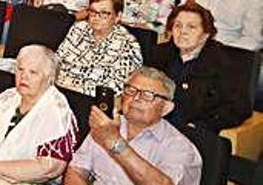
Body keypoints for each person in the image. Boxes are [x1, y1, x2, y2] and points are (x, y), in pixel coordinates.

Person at [0, 45, 77, 185]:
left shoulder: (58, 112)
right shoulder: (7, 97)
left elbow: (48, 168)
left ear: (49, 78)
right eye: (20, 69)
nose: (24, 77)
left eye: (33, 72)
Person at [63, 67, 202, 185]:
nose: (136, 98)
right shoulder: (107, 125)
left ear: (166, 108)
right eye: (131, 90)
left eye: (148, 95)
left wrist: (116, 143)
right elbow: (76, 170)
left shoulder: (181, 148)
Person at [150, 2, 252, 132]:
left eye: (191, 27)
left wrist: (201, 126)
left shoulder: (223, 62)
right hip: (154, 125)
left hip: (192, 132)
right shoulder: (159, 54)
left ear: (205, 34)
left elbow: (239, 108)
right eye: (177, 26)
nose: (183, 32)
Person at [56, 0, 143, 96]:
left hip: (92, 100)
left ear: (118, 16)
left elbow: (116, 90)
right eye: (92, 11)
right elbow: (57, 61)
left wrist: (72, 88)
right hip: (59, 91)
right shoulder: (78, 28)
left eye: (104, 13)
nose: (96, 18)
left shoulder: (128, 46)